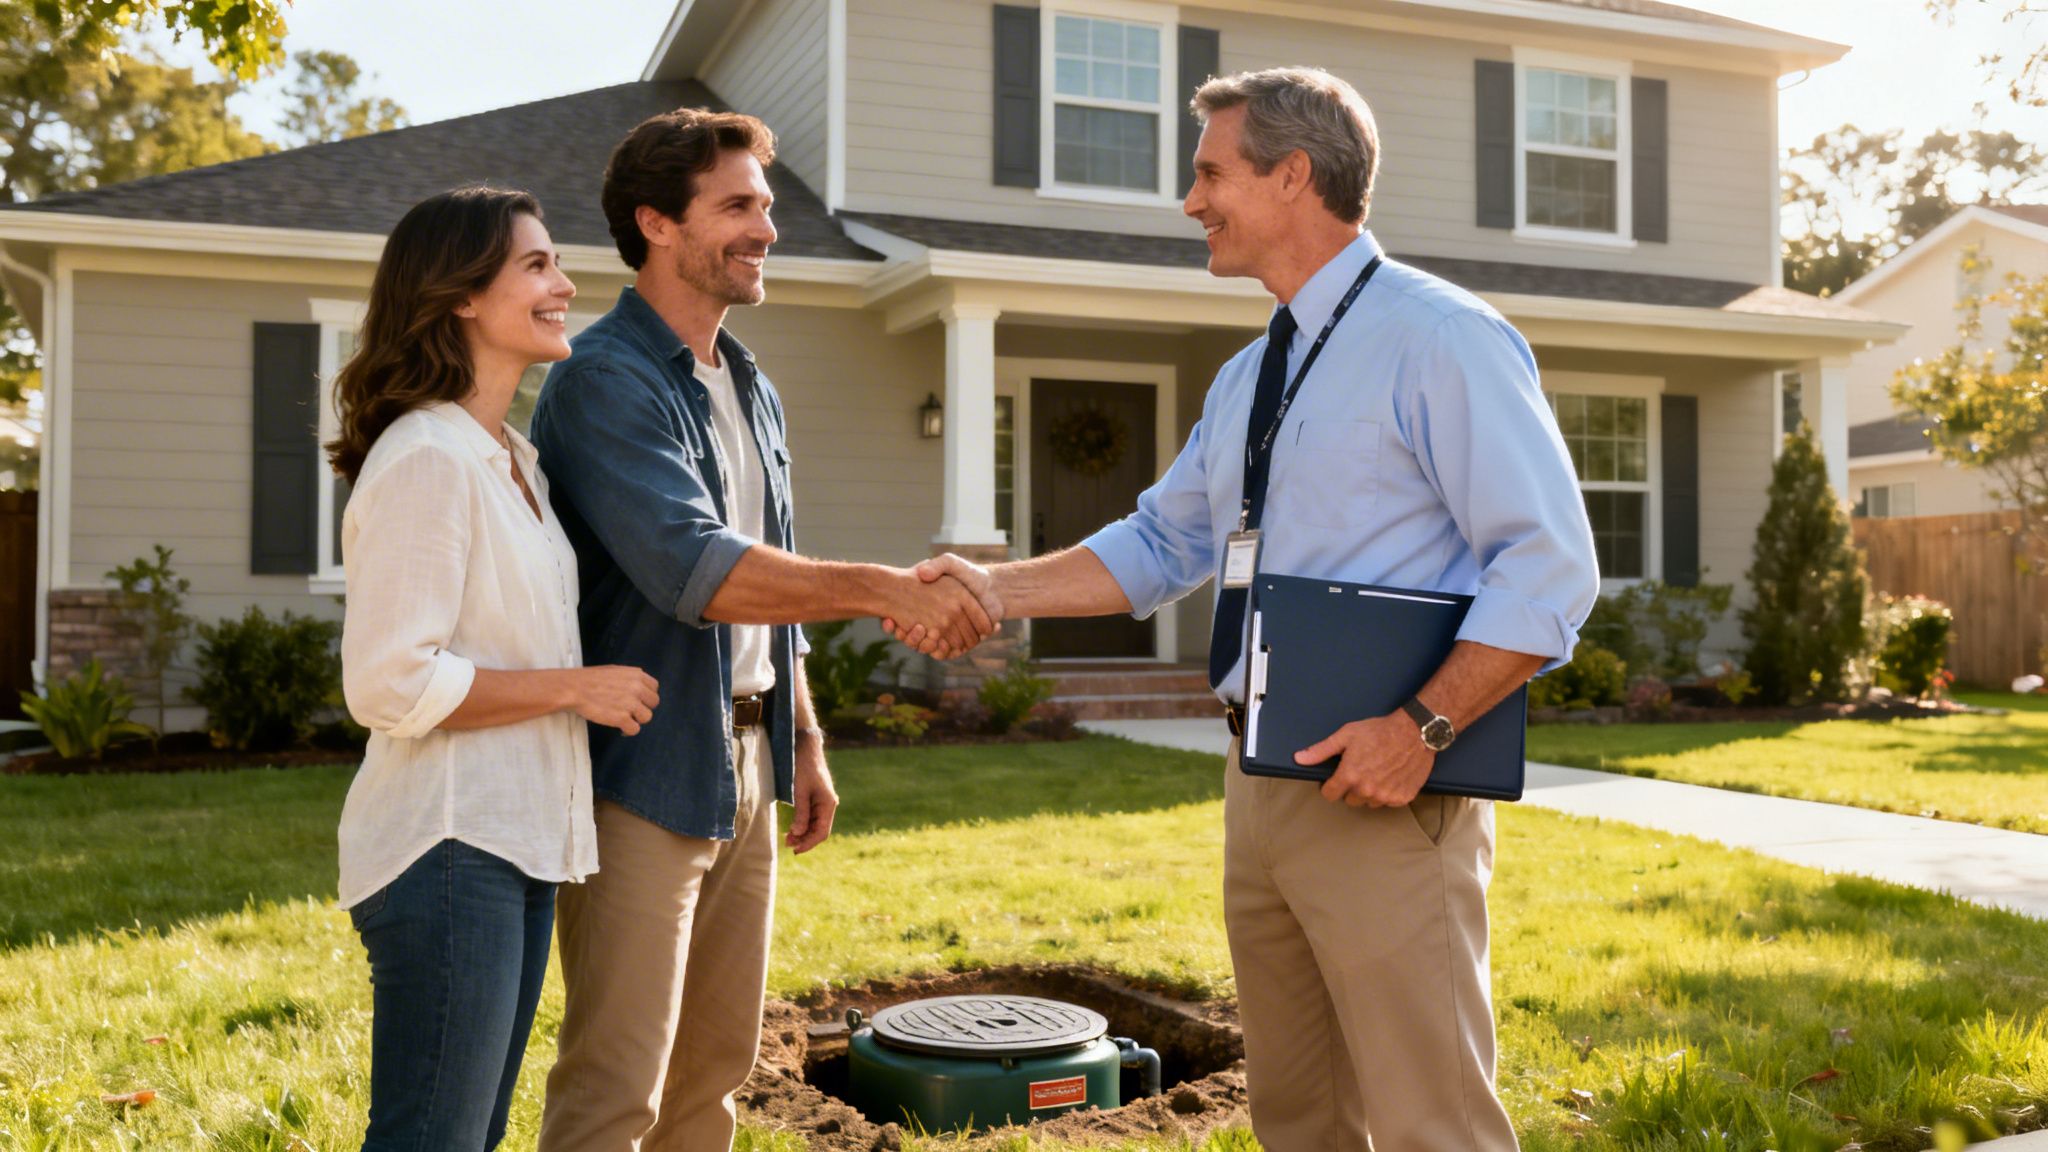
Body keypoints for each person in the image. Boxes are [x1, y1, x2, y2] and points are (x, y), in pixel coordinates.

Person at [905, 68, 1599, 1151]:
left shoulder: (1440, 338)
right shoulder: (1247, 374)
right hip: (1261, 785)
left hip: (1385, 791)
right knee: (1296, 1113)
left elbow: (1547, 567)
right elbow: (1162, 542)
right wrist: (996, 589)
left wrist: (1419, 729)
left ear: (1291, 174)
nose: (1190, 202)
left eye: (1209, 173)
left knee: (1432, 1120)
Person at [527, 108, 995, 1151]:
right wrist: (890, 587)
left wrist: (806, 735)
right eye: (737, 206)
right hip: (641, 771)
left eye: (765, 206)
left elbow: (771, 571)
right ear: (655, 222)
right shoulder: (604, 380)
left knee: (713, 1074)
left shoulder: (749, 385)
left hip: (745, 756)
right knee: (619, 1081)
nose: (766, 229)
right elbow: (697, 569)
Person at [330, 185, 662, 1152]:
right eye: (537, 265)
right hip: (446, 847)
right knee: (432, 1139)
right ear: (462, 295)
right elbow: (390, 683)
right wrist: (576, 688)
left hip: (513, 844)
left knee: (466, 1137)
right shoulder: (427, 454)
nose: (564, 284)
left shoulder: (509, 453)